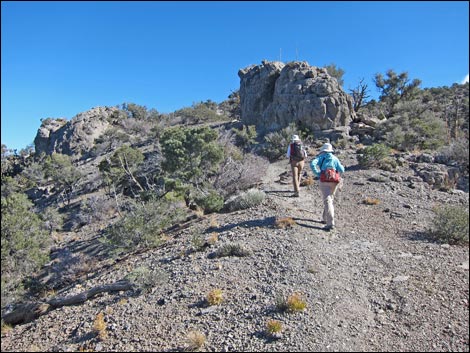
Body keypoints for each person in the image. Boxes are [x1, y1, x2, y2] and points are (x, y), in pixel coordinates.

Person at [310, 143, 345, 231]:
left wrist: (317, 173)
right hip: (334, 182)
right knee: (330, 199)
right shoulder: (335, 158)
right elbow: (342, 169)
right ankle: (325, 218)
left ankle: (330, 223)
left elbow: (312, 164)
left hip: (324, 181)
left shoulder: (321, 157)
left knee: (327, 200)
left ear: (323, 151)